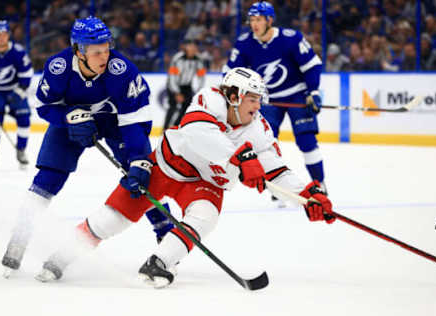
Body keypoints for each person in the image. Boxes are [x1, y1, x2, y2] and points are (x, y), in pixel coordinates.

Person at [34, 67, 334, 288]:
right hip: (164, 168)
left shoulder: (259, 129)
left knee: (205, 216)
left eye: (259, 100)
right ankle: (61, 256)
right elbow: (198, 132)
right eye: (252, 99)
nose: (258, 107)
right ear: (232, 96)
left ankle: (160, 262)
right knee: (112, 219)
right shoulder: (209, 98)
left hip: (205, 183)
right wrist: (242, 158)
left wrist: (308, 195)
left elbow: (276, 170)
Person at [1, 16, 173, 278]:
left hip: (116, 123)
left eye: (106, 48)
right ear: (78, 51)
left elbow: (135, 117)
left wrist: (138, 158)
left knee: (141, 175)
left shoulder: (122, 70)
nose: (104, 56)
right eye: (96, 52)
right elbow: (46, 106)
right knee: (48, 177)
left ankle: (166, 232)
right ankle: (19, 236)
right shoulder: (58, 68)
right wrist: (68, 117)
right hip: (71, 120)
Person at [223, 2, 327, 198]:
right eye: (252, 20)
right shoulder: (245, 43)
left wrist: (313, 92)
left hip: (297, 95)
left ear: (270, 20)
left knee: (306, 141)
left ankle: (320, 184)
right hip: (266, 100)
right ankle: (279, 186)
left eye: (259, 20)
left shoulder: (291, 39)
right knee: (265, 143)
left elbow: (312, 65)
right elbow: (230, 73)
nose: (254, 24)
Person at [0, 20, 33, 170]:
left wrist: (19, 92)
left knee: (25, 119)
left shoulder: (18, 52)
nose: (1, 37)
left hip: (15, 89)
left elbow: (26, 74)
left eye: (4, 34)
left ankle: (21, 150)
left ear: (8, 35)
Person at [163, 39, 206, 131]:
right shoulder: (177, 58)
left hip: (186, 86)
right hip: (173, 85)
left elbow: (201, 77)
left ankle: (176, 127)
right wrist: (176, 92)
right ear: (186, 47)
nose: (193, 48)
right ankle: (165, 129)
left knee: (187, 108)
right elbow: (172, 77)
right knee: (173, 107)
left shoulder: (198, 60)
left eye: (195, 46)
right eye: (191, 46)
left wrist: (199, 90)